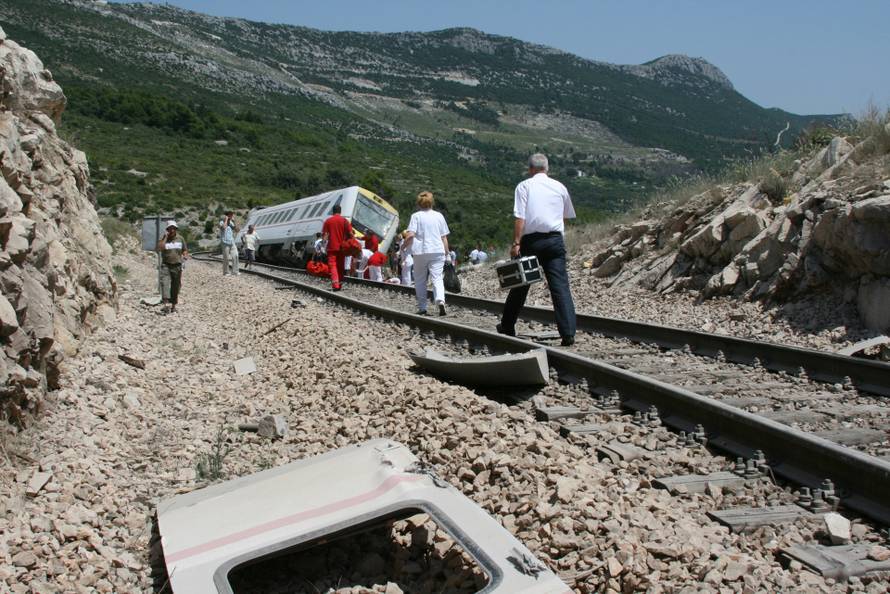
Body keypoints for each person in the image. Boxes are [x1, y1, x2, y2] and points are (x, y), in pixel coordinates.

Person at [498, 153, 577, 346]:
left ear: (530, 169)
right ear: (547, 168)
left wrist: (516, 242)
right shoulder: (560, 187)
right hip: (555, 240)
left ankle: (507, 325)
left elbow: (520, 217)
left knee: (521, 284)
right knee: (560, 287)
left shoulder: (524, 186)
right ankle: (568, 332)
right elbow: (565, 215)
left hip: (531, 241)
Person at [404, 191, 451, 316]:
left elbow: (410, 236)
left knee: (420, 280)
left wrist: (403, 247)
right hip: (437, 251)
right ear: (432, 202)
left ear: (419, 203)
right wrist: (447, 253)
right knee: (437, 277)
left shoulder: (416, 216)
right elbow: (444, 237)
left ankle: (423, 307)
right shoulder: (439, 216)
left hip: (420, 252)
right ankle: (440, 300)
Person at [156, 221, 189, 313]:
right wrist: (166, 237)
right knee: (165, 283)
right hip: (166, 264)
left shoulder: (180, 239)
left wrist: (185, 255)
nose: (172, 230)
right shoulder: (164, 239)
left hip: (177, 265)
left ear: (176, 229)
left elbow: (184, 250)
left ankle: (173, 305)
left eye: (173, 228)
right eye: (170, 228)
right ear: (167, 229)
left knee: (175, 285)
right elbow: (159, 248)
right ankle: (166, 304)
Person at [321, 204, 353, 290]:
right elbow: (351, 234)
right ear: (340, 211)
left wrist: (323, 246)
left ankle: (335, 284)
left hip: (332, 247)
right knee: (340, 265)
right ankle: (340, 283)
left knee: (332, 265)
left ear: (333, 211)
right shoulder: (345, 221)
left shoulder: (328, 221)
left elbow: (325, 235)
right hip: (342, 248)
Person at [219, 210, 239, 275]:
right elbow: (224, 227)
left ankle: (235, 271)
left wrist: (235, 221)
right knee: (226, 258)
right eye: (230, 214)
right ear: (227, 215)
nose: (231, 216)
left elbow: (237, 230)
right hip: (225, 242)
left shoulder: (231, 223)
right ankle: (226, 272)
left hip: (232, 241)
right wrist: (226, 220)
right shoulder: (221, 222)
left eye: (232, 215)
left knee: (235, 255)